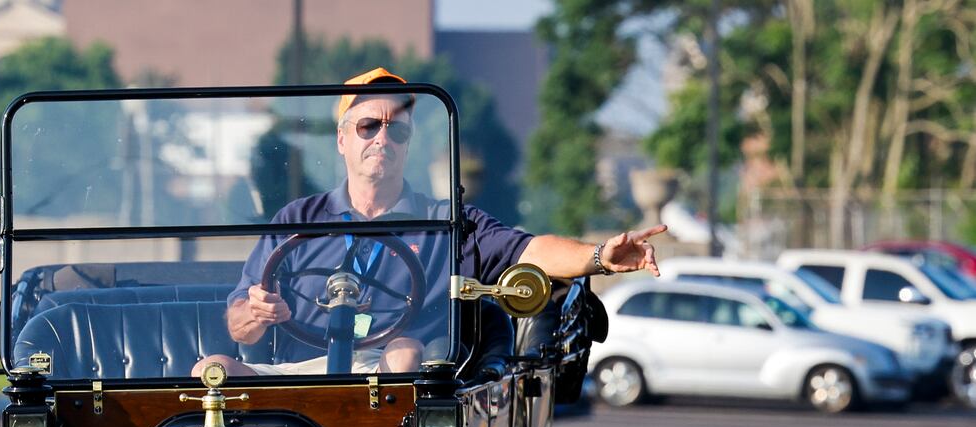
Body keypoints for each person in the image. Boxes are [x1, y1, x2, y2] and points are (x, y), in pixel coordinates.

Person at [196, 67, 665, 378]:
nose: (383, 138)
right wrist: (255, 312)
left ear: (407, 144)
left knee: (403, 351)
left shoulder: (445, 222)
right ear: (342, 139)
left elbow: (529, 250)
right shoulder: (298, 220)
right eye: (368, 126)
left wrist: (601, 257)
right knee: (210, 371)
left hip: (392, 379)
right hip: (300, 375)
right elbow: (242, 327)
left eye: (396, 129)